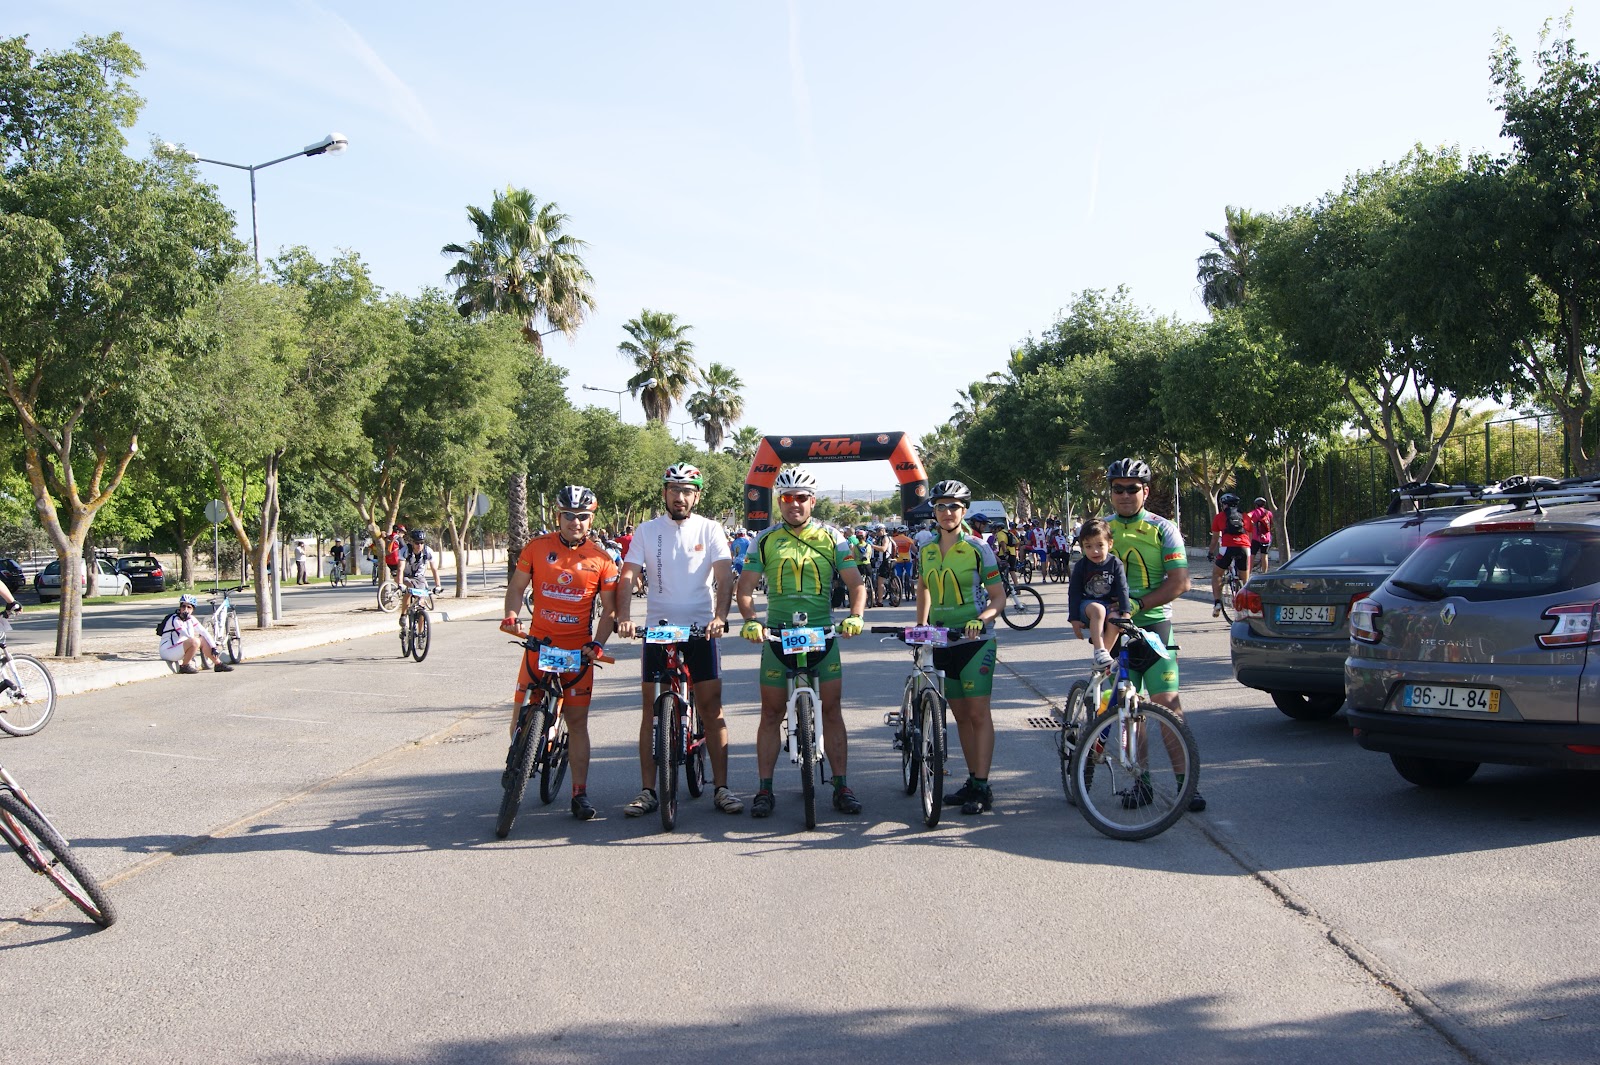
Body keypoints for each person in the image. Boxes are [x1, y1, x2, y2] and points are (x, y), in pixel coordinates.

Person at [735, 467, 867, 818]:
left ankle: (842, 786)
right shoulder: (764, 539)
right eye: (787, 498)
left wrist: (855, 615)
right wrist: (751, 621)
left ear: (813, 500)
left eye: (801, 498)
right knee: (770, 713)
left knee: (832, 711)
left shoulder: (833, 537)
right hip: (778, 636)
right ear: (779, 501)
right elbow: (744, 589)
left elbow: (856, 584)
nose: (794, 504)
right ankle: (764, 789)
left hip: (822, 634)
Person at [615, 463, 744, 817]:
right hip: (658, 630)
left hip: (701, 628)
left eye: (687, 491)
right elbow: (627, 576)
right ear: (665, 493)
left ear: (697, 496)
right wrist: (623, 617)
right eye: (674, 489)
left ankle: (721, 788)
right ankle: (647, 791)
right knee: (650, 709)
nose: (680, 497)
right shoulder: (647, 530)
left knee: (711, 707)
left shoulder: (710, 528)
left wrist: (720, 617)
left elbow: (724, 576)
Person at [500, 485, 618, 821]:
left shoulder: (602, 559)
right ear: (558, 516)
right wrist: (512, 616)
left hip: (577, 652)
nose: (575, 522)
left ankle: (579, 793)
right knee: (520, 715)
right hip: (539, 645)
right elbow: (517, 588)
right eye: (568, 515)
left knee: (577, 723)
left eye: (582, 516)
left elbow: (610, 611)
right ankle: (519, 758)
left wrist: (598, 644)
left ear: (591, 519)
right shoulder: (537, 547)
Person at [1104, 457, 1203, 812]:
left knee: (1169, 707)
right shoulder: (1102, 529)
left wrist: (1138, 604)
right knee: (1129, 711)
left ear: (1145, 492)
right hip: (1116, 630)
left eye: (1132, 488)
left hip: (1155, 627)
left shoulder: (1163, 529)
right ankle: (1141, 783)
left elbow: (1181, 582)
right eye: (1118, 488)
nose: (1125, 494)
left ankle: (1186, 786)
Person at [916, 481, 1005, 815]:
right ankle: (972, 779)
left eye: (953, 506)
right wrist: (921, 625)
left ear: (964, 511)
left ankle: (983, 786)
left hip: (975, 642)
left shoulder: (979, 548)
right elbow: (923, 588)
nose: (947, 512)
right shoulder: (925, 548)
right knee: (961, 716)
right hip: (942, 639)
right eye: (940, 506)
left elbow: (998, 597)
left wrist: (981, 620)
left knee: (978, 713)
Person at [1068, 517, 1131, 668]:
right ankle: (1099, 651)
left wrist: (1126, 613)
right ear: (1082, 547)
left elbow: (1123, 588)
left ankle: (1103, 660)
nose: (1094, 551)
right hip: (1087, 606)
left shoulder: (1115, 564)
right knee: (1098, 609)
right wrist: (1074, 619)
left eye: (1100, 545)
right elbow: (1074, 593)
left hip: (1109, 606)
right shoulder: (1081, 566)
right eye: (1088, 546)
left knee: (1115, 618)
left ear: (1110, 544)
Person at [157, 594, 234, 674]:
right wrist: (187, 620)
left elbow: (204, 632)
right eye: (183, 606)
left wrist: (214, 647)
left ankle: (218, 664)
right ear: (180, 607)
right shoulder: (175, 619)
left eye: (189, 607)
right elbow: (189, 636)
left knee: (202, 639)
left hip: (178, 649)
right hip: (168, 651)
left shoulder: (191, 618)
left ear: (193, 609)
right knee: (195, 641)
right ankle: (184, 666)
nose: (185, 609)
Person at [1209, 492, 1252, 617]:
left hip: (1227, 548)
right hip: (1244, 547)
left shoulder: (1219, 517)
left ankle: (1217, 603)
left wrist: (1210, 552)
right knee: (1245, 579)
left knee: (1217, 574)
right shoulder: (1245, 516)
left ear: (1224, 505)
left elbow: (1214, 539)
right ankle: (1247, 604)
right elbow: (1250, 534)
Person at [397, 528, 441, 636]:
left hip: (420, 578)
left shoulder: (428, 551)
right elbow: (400, 569)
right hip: (406, 576)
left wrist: (438, 586)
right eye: (417, 543)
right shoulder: (405, 550)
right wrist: (400, 584)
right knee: (409, 589)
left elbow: (434, 569)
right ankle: (403, 615)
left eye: (421, 543)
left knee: (421, 604)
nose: (419, 545)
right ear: (412, 542)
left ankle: (421, 634)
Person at [1247, 497, 1275, 574]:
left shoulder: (1254, 512)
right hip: (1266, 538)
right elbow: (1272, 523)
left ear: (1256, 504)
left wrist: (1251, 523)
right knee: (1264, 555)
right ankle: (1264, 573)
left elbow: (1247, 516)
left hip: (1256, 537)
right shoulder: (1268, 513)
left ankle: (1248, 573)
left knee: (1252, 555)